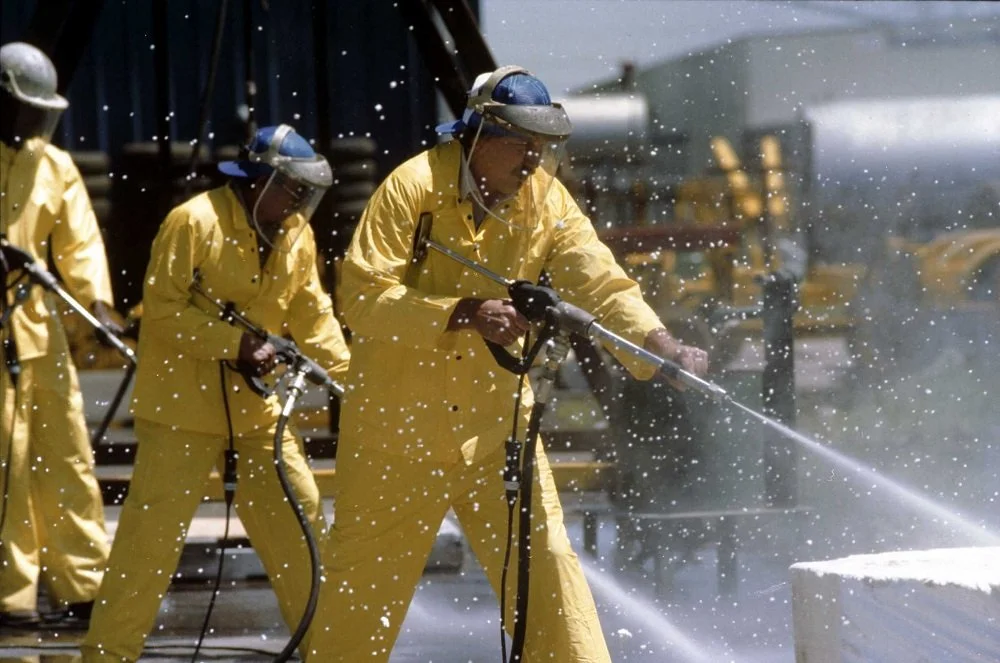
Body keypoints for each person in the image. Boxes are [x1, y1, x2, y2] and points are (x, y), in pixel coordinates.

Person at [307, 65, 709, 661]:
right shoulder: (411, 188)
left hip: (497, 432)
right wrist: (463, 312)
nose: (533, 160)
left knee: (550, 576)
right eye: (522, 144)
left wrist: (660, 345)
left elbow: (600, 282)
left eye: (543, 146)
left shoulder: (546, 199)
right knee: (359, 597)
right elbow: (363, 299)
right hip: (396, 437)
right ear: (479, 136)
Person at [80, 124, 350, 662]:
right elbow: (162, 312)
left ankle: (331, 652)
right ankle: (108, 656)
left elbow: (313, 313)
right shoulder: (193, 222)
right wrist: (236, 343)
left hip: (256, 411)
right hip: (179, 411)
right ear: (257, 180)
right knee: (149, 543)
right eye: (292, 188)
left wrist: (351, 379)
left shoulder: (296, 233)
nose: (299, 202)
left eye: (306, 191)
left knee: (301, 523)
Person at [0, 41, 123, 631]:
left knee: (67, 456)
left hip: (38, 327)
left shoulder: (53, 165)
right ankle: (10, 595)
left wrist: (97, 302)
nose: (36, 121)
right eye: (29, 109)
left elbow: (79, 241)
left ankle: (84, 584)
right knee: (7, 462)